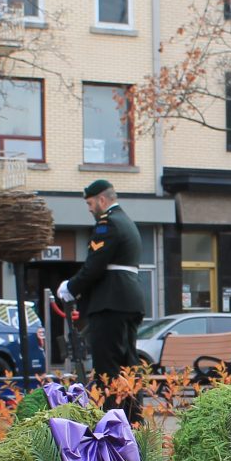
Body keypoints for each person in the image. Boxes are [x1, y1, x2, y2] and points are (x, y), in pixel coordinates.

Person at [56, 179, 145, 417]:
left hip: (110, 303)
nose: (89, 209)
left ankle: (112, 422)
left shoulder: (108, 224)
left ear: (102, 200)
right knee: (127, 365)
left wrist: (71, 287)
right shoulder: (127, 222)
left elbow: (95, 264)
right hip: (128, 300)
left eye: (90, 203)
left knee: (108, 367)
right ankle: (132, 418)